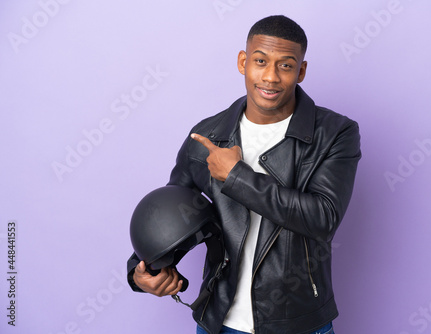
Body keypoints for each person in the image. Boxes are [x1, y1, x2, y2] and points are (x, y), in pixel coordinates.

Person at [127, 15, 361, 334]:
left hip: (299, 322)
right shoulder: (207, 137)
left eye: (286, 65)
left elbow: (323, 218)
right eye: (261, 61)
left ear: (301, 71)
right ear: (243, 62)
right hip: (219, 321)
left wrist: (237, 176)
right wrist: (143, 270)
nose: (270, 77)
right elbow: (173, 215)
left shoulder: (334, 134)